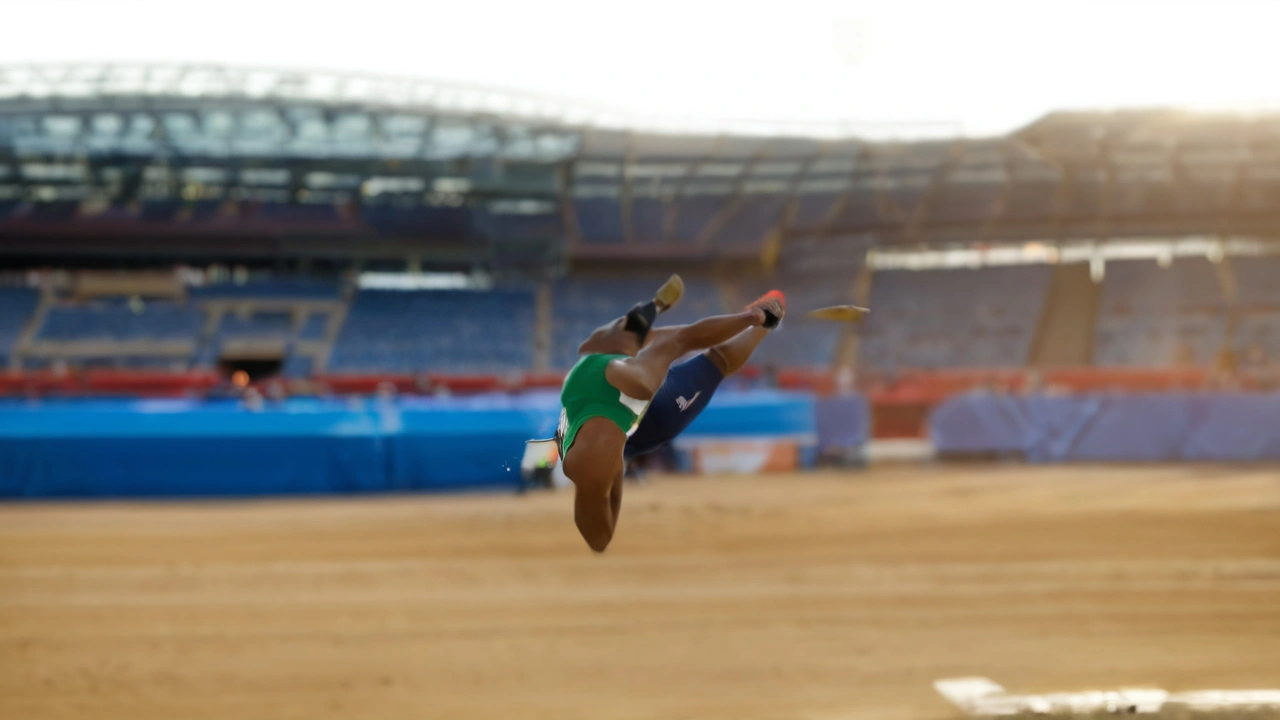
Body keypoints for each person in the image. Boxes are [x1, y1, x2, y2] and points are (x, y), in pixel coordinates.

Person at [554, 275, 785, 552]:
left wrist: (752, 317)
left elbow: (599, 539)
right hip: (643, 417)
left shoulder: (603, 361)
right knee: (711, 357)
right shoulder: (630, 370)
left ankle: (760, 318)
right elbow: (685, 337)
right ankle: (764, 318)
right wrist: (754, 317)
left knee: (690, 348)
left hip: (623, 415)